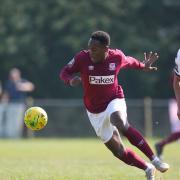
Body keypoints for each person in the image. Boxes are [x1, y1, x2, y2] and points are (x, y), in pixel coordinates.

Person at [60, 31, 169, 180]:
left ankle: (155, 160)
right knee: (118, 151)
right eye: (89, 48)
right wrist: (70, 80)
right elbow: (64, 72)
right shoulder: (82, 58)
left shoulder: (116, 57)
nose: (91, 52)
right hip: (94, 111)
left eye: (95, 49)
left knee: (120, 122)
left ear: (106, 49)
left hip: (114, 99)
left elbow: (129, 61)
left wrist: (143, 65)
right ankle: (147, 168)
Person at [155, 49, 180, 158]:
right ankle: (160, 144)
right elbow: (175, 82)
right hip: (176, 101)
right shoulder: (176, 69)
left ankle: (161, 144)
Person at [0, 68, 34, 138]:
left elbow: (31, 86)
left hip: (19, 105)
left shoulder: (22, 81)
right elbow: (6, 94)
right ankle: (9, 136)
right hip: (10, 105)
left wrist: (22, 86)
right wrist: (4, 103)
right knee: (10, 121)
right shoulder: (9, 83)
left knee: (17, 122)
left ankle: (16, 136)